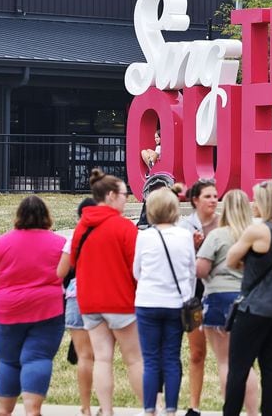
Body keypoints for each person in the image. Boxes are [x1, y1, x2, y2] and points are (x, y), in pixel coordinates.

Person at [0, 195, 66, 416]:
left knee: (8, 360)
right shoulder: (59, 243)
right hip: (47, 309)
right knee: (38, 357)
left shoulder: (2, 243)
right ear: (47, 216)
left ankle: (3, 410)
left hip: (8, 310)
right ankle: (32, 410)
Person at [70, 169, 143, 416]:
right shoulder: (124, 228)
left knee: (102, 359)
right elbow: (137, 268)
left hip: (89, 302)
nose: (127, 198)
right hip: (120, 301)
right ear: (111, 195)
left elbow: (73, 262)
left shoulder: (82, 226)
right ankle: (151, 409)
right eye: (124, 194)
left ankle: (107, 410)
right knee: (134, 359)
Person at [223, 181, 272, 416]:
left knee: (239, 369)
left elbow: (231, 259)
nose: (253, 204)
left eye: (256, 199)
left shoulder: (257, 231)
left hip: (253, 309)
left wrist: (248, 266)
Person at [133, 186, 196, 416]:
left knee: (150, 359)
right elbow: (191, 271)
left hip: (148, 301)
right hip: (176, 303)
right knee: (171, 356)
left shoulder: (144, 236)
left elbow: (136, 271)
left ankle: (149, 408)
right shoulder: (184, 236)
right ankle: (171, 409)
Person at [196, 189, 259, 415]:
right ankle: (253, 412)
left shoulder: (218, 235)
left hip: (219, 299)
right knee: (246, 364)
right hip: (250, 302)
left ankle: (231, 410)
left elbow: (201, 269)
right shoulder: (257, 235)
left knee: (225, 362)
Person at [177, 179, 220, 416]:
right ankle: (194, 405)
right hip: (194, 297)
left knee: (226, 354)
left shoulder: (223, 225)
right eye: (208, 196)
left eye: (215, 196)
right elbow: (180, 265)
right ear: (195, 200)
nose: (214, 200)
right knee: (197, 352)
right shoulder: (184, 227)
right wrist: (193, 248)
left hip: (219, 295)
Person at [56, 197, 98, 416]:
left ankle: (86, 407)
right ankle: (106, 405)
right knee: (103, 355)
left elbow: (61, 271)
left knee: (84, 356)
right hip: (106, 296)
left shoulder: (75, 236)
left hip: (78, 294)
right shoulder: (109, 233)